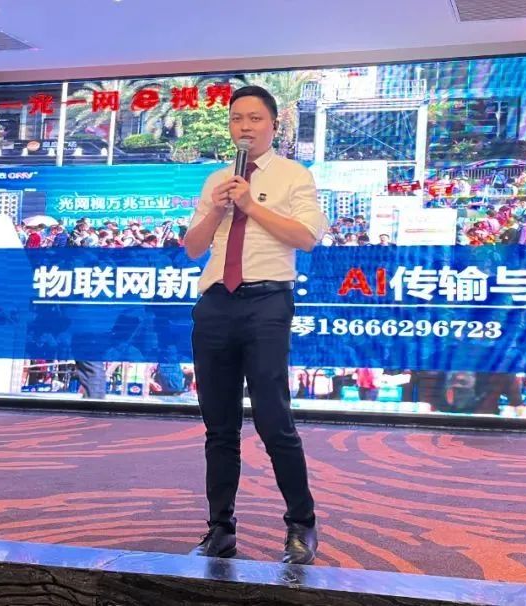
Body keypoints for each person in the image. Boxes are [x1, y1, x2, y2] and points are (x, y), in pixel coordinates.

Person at [183, 85, 328, 565]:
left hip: (267, 303)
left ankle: (301, 524)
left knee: (273, 419)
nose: (244, 127)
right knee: (218, 427)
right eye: (236, 119)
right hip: (215, 304)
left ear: (273, 125)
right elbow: (193, 247)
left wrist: (250, 205)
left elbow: (306, 237)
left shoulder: (294, 175)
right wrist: (219, 208)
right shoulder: (217, 180)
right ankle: (220, 529)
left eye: (254, 118)